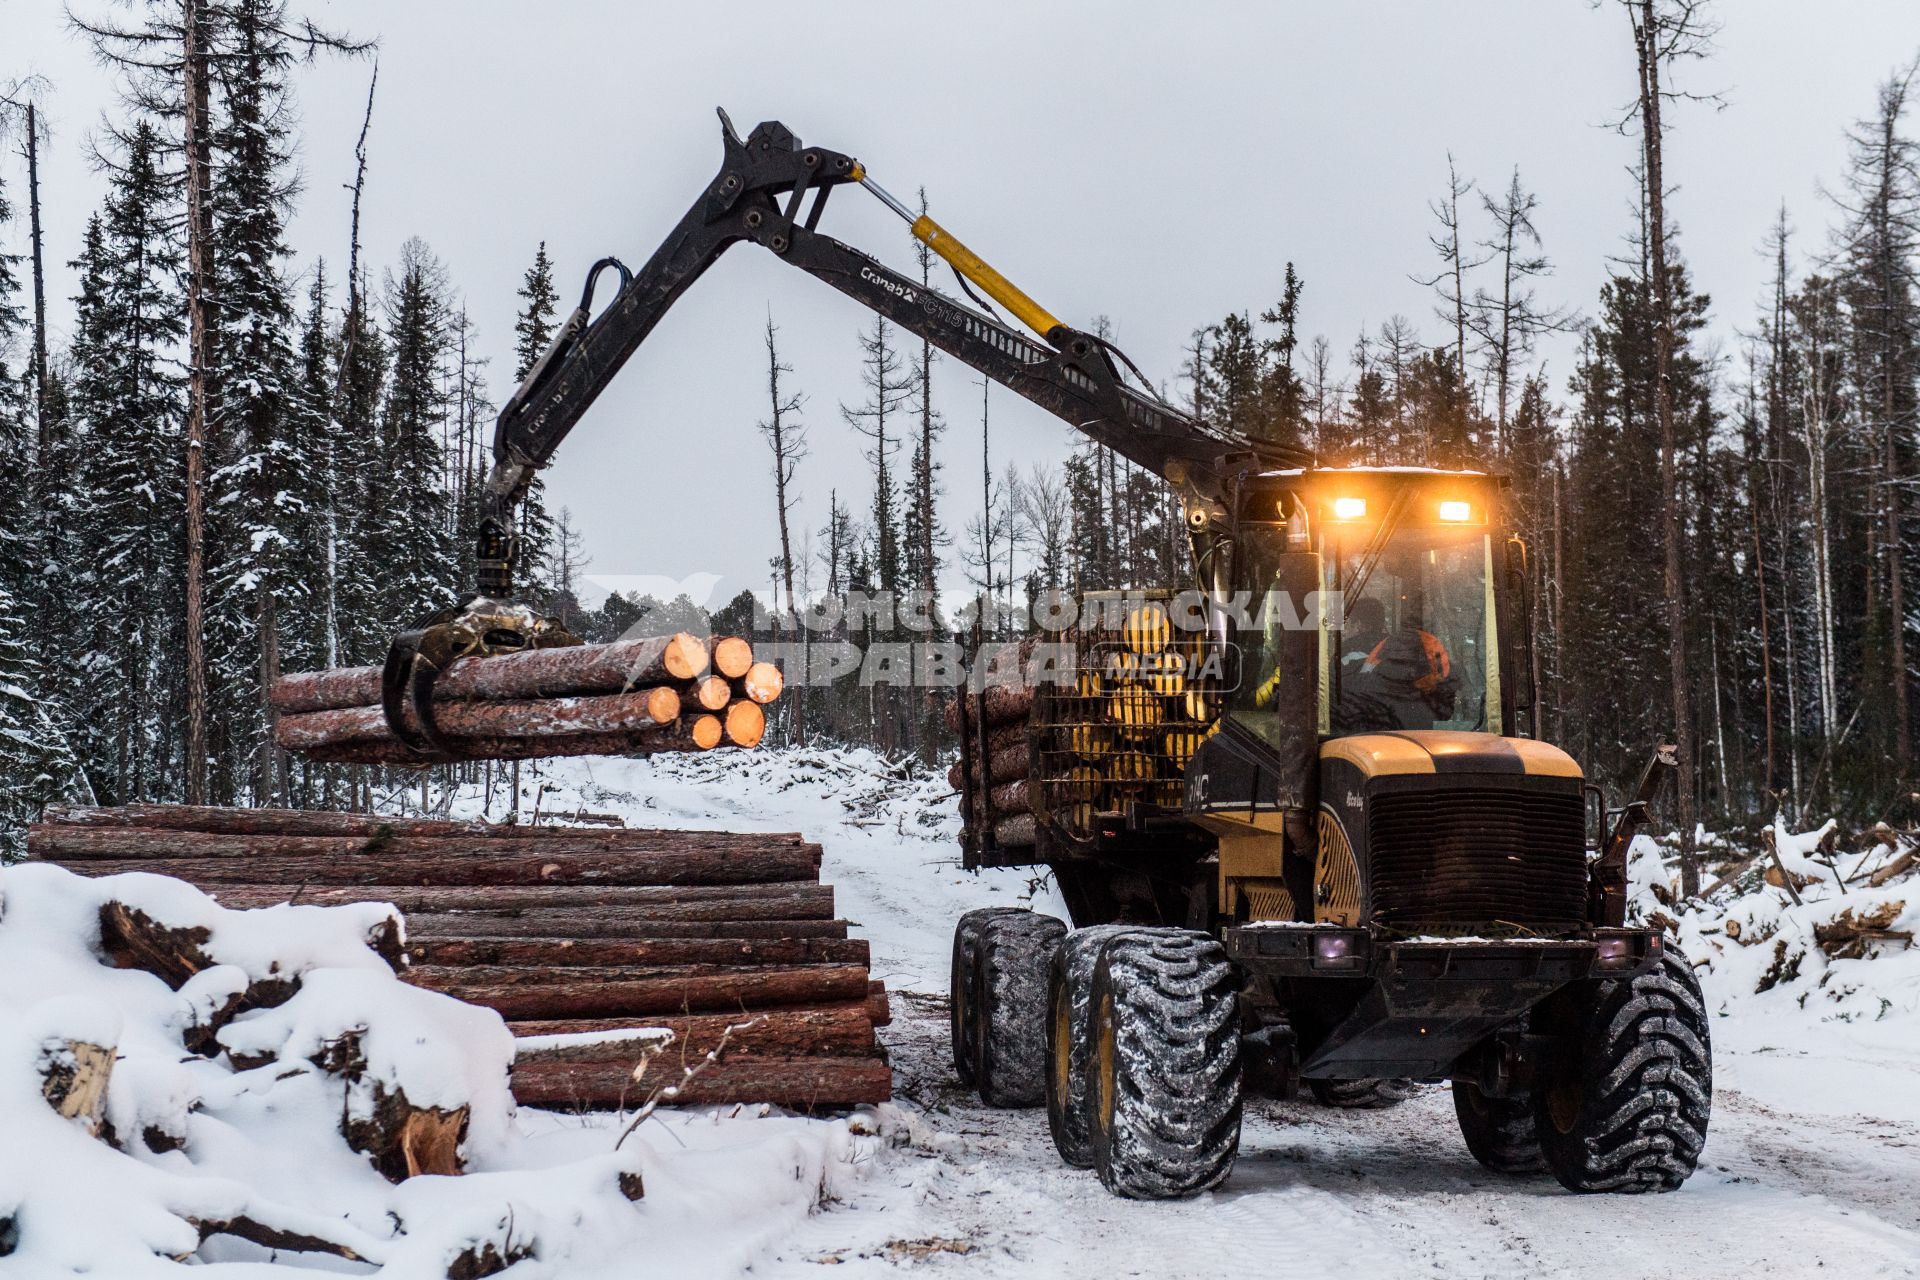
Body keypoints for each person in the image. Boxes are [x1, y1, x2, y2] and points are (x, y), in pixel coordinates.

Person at [1336, 618, 1458, 732]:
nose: (1344, 630)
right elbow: (1445, 711)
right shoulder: (1437, 669)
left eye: (1347, 623)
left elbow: (1341, 704)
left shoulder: (1348, 654)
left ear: (1358, 625)